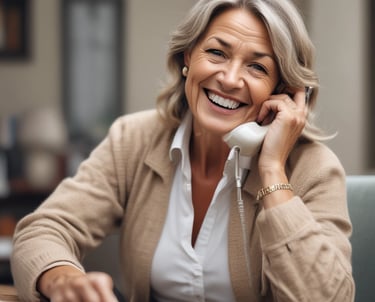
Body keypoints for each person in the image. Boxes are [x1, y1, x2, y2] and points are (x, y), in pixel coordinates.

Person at [11, 0, 355, 301]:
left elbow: (328, 297)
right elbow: (43, 229)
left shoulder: (314, 169)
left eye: (257, 67)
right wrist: (63, 279)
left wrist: (272, 173)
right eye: (217, 52)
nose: (230, 79)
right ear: (188, 56)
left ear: (282, 89)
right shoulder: (134, 139)